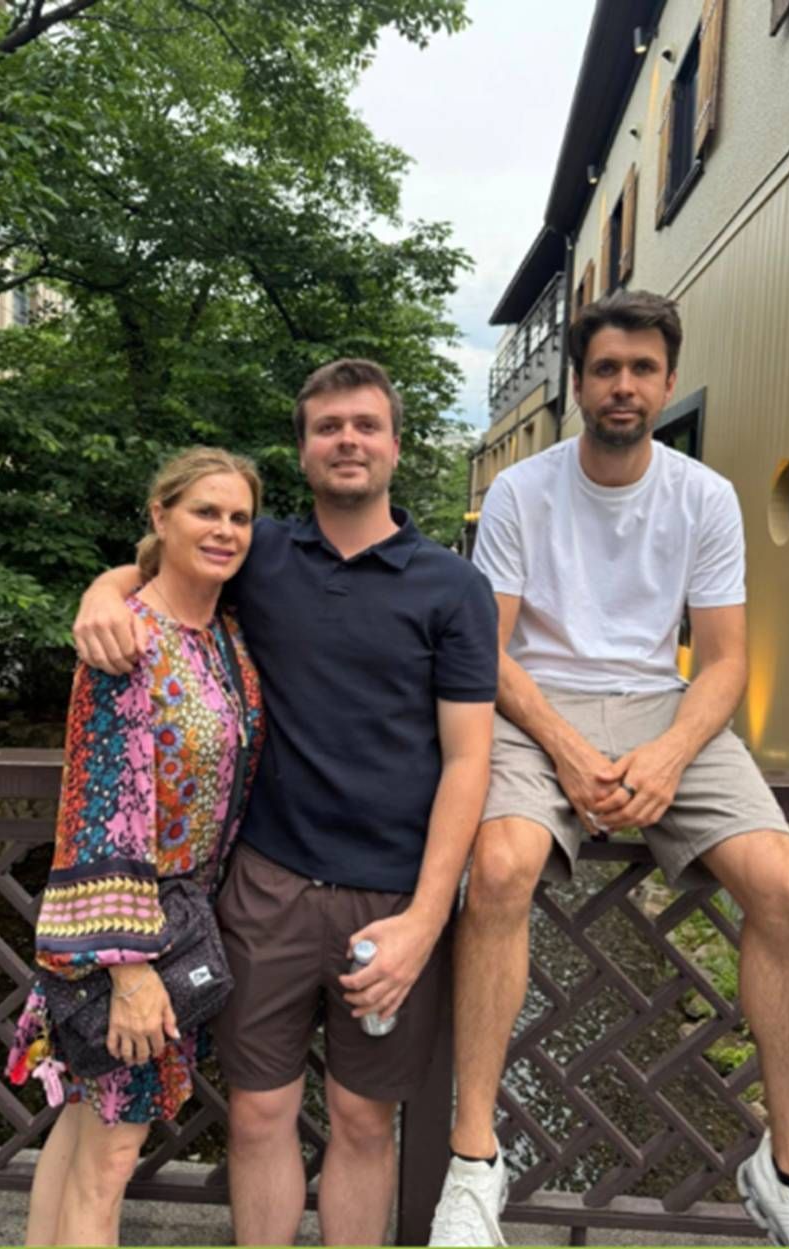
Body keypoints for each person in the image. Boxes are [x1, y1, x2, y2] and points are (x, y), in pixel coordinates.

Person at [73, 358, 499, 1245]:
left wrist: (427, 917)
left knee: (362, 1121)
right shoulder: (259, 552)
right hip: (263, 888)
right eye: (328, 426)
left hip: (389, 898)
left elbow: (468, 759)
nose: (348, 439)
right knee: (259, 1115)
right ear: (303, 449)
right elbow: (161, 567)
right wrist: (101, 592)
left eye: (365, 424)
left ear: (393, 442)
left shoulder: (452, 587)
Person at [428, 290, 789, 1248]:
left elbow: (722, 662)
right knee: (500, 868)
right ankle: (473, 1162)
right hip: (535, 701)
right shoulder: (522, 491)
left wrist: (668, 752)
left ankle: (785, 1164)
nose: (622, 386)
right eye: (605, 369)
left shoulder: (702, 495)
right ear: (578, 384)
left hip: (665, 711)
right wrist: (571, 749)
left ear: (667, 381)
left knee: (788, 888)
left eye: (641, 369)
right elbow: (490, 652)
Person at [6, 447, 265, 1248]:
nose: (223, 530)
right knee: (110, 1166)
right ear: (160, 516)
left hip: (175, 915)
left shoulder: (221, 632)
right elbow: (97, 808)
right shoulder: (128, 641)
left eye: (238, 516)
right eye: (204, 511)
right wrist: (129, 970)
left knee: (82, 1129)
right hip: (129, 938)